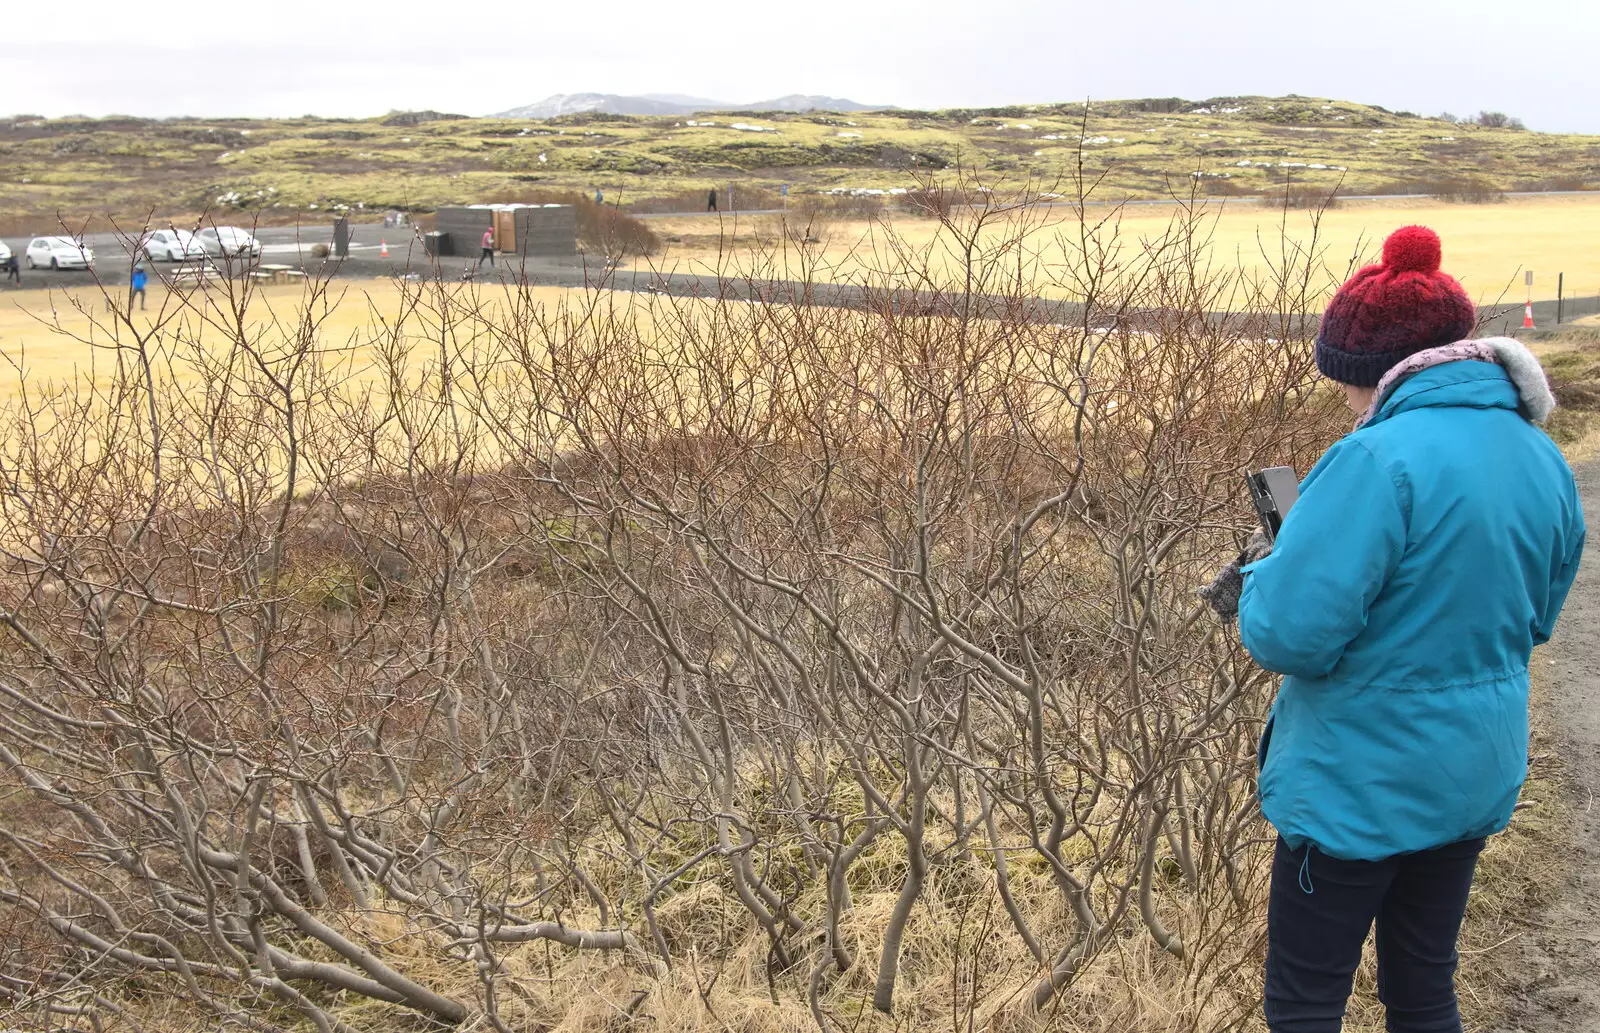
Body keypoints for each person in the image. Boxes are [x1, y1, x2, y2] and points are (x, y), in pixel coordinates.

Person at [1202, 225, 1585, 1033]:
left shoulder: (1374, 459)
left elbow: (1290, 636)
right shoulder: (1539, 453)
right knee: (1422, 989)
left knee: (1305, 1003)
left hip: (1355, 786)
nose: (1346, 399)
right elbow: (1537, 615)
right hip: (1469, 775)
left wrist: (1260, 582)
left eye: (1345, 380)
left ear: (1372, 370)